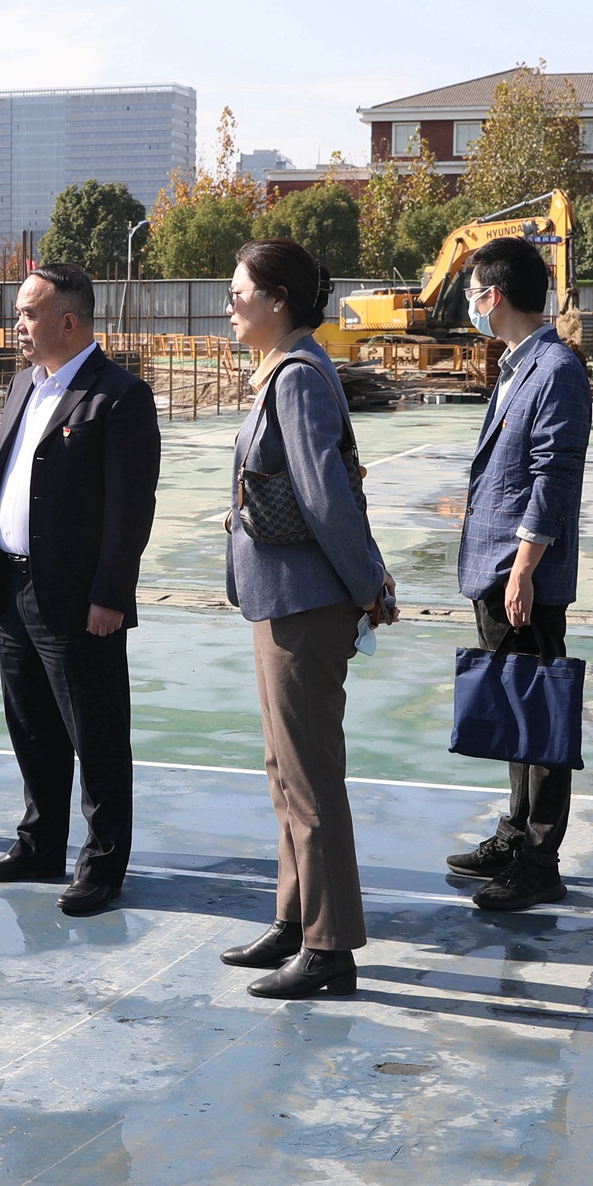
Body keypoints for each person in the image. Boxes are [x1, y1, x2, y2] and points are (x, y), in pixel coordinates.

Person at [219, 239, 398, 1000]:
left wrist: (368, 585)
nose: (229, 306)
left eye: (239, 293)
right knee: (285, 771)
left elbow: (327, 499)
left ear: (278, 299)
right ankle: (296, 920)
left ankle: (329, 947)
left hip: (305, 603)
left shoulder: (296, 378)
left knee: (311, 776)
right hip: (280, 598)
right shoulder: (283, 371)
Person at [0, 266, 160, 915]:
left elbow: (130, 510)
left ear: (68, 321)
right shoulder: (23, 385)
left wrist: (111, 596)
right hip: (15, 586)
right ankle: (39, 844)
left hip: (79, 601)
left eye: (28, 313)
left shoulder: (118, 396)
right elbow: (4, 480)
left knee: (96, 736)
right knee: (32, 727)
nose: (17, 325)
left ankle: (102, 866)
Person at [445, 236, 592, 911]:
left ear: (495, 295)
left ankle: (539, 860)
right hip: (498, 568)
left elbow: (552, 475)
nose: (469, 304)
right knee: (515, 707)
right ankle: (514, 834)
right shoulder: (517, 364)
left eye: (473, 292)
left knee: (540, 713)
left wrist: (525, 568)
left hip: (520, 574)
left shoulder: (555, 368)